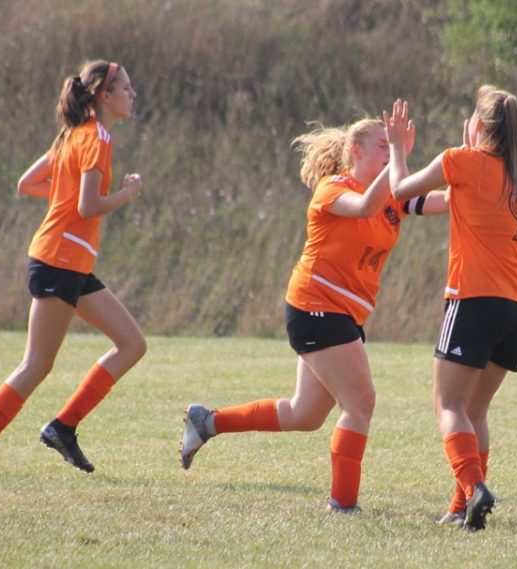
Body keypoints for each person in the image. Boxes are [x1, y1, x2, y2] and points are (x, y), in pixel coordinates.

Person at [180, 102, 449, 513]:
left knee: (303, 414)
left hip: (341, 313)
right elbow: (363, 209)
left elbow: (436, 201)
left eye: (391, 145)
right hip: (316, 306)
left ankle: (208, 421)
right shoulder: (335, 189)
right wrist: (398, 159)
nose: (390, 150)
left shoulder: (390, 193)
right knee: (360, 403)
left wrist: (481, 176)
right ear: (355, 152)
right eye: (382, 144)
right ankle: (343, 505)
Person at [0, 60, 147, 477]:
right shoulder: (95, 137)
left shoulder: (74, 134)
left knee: (132, 343)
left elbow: (28, 183)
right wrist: (126, 194)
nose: (133, 95)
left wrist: (63, 195)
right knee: (37, 364)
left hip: (70, 262)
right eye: (126, 88)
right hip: (59, 261)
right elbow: (87, 206)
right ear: (104, 96)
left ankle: (64, 426)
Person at [385, 89, 517, 530]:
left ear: (479, 128)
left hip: (473, 299)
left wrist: (396, 147)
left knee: (448, 404)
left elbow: (398, 189)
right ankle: (460, 507)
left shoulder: (461, 161)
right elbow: (421, 204)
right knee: (474, 410)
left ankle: (474, 490)